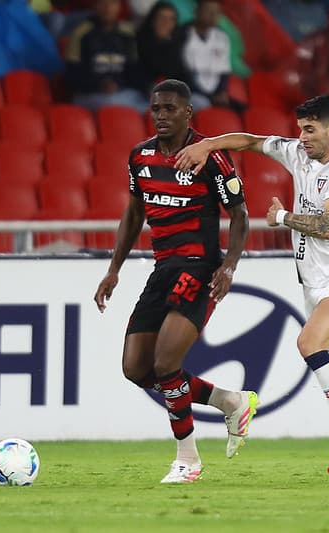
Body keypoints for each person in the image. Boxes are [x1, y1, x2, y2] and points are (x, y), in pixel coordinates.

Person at [175, 94, 329, 482]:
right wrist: (208, 145)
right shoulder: (298, 154)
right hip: (314, 283)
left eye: (309, 130)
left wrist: (283, 217)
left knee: (309, 343)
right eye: (300, 129)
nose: (301, 137)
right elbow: (250, 140)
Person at [93, 79, 257, 484]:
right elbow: (134, 214)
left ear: (187, 112)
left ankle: (188, 460)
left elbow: (240, 215)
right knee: (136, 368)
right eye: (156, 109)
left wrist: (229, 266)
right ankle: (229, 401)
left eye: (169, 108)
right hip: (162, 269)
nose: (161, 116)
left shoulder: (209, 157)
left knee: (166, 363)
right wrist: (113, 269)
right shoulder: (141, 157)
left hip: (200, 269)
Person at [65, 0, 147, 111]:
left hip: (122, 93)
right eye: (102, 3)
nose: (108, 7)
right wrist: (99, 86)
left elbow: (134, 70)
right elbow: (71, 76)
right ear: (95, 5)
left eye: (113, 3)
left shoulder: (128, 34)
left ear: (119, 6)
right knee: (112, 103)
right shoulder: (80, 34)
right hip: (89, 94)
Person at [181, 0, 233, 110]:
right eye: (209, 11)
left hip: (214, 93)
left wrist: (222, 91)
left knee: (241, 109)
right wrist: (208, 96)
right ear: (197, 12)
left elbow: (224, 70)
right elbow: (181, 72)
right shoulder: (181, 34)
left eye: (217, 12)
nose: (213, 15)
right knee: (202, 104)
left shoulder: (222, 36)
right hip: (189, 92)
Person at [136, 1, 193, 97]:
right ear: (152, 21)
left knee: (199, 102)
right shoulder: (138, 41)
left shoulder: (180, 44)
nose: (166, 23)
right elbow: (136, 74)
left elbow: (185, 77)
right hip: (143, 94)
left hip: (175, 95)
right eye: (162, 18)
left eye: (171, 19)